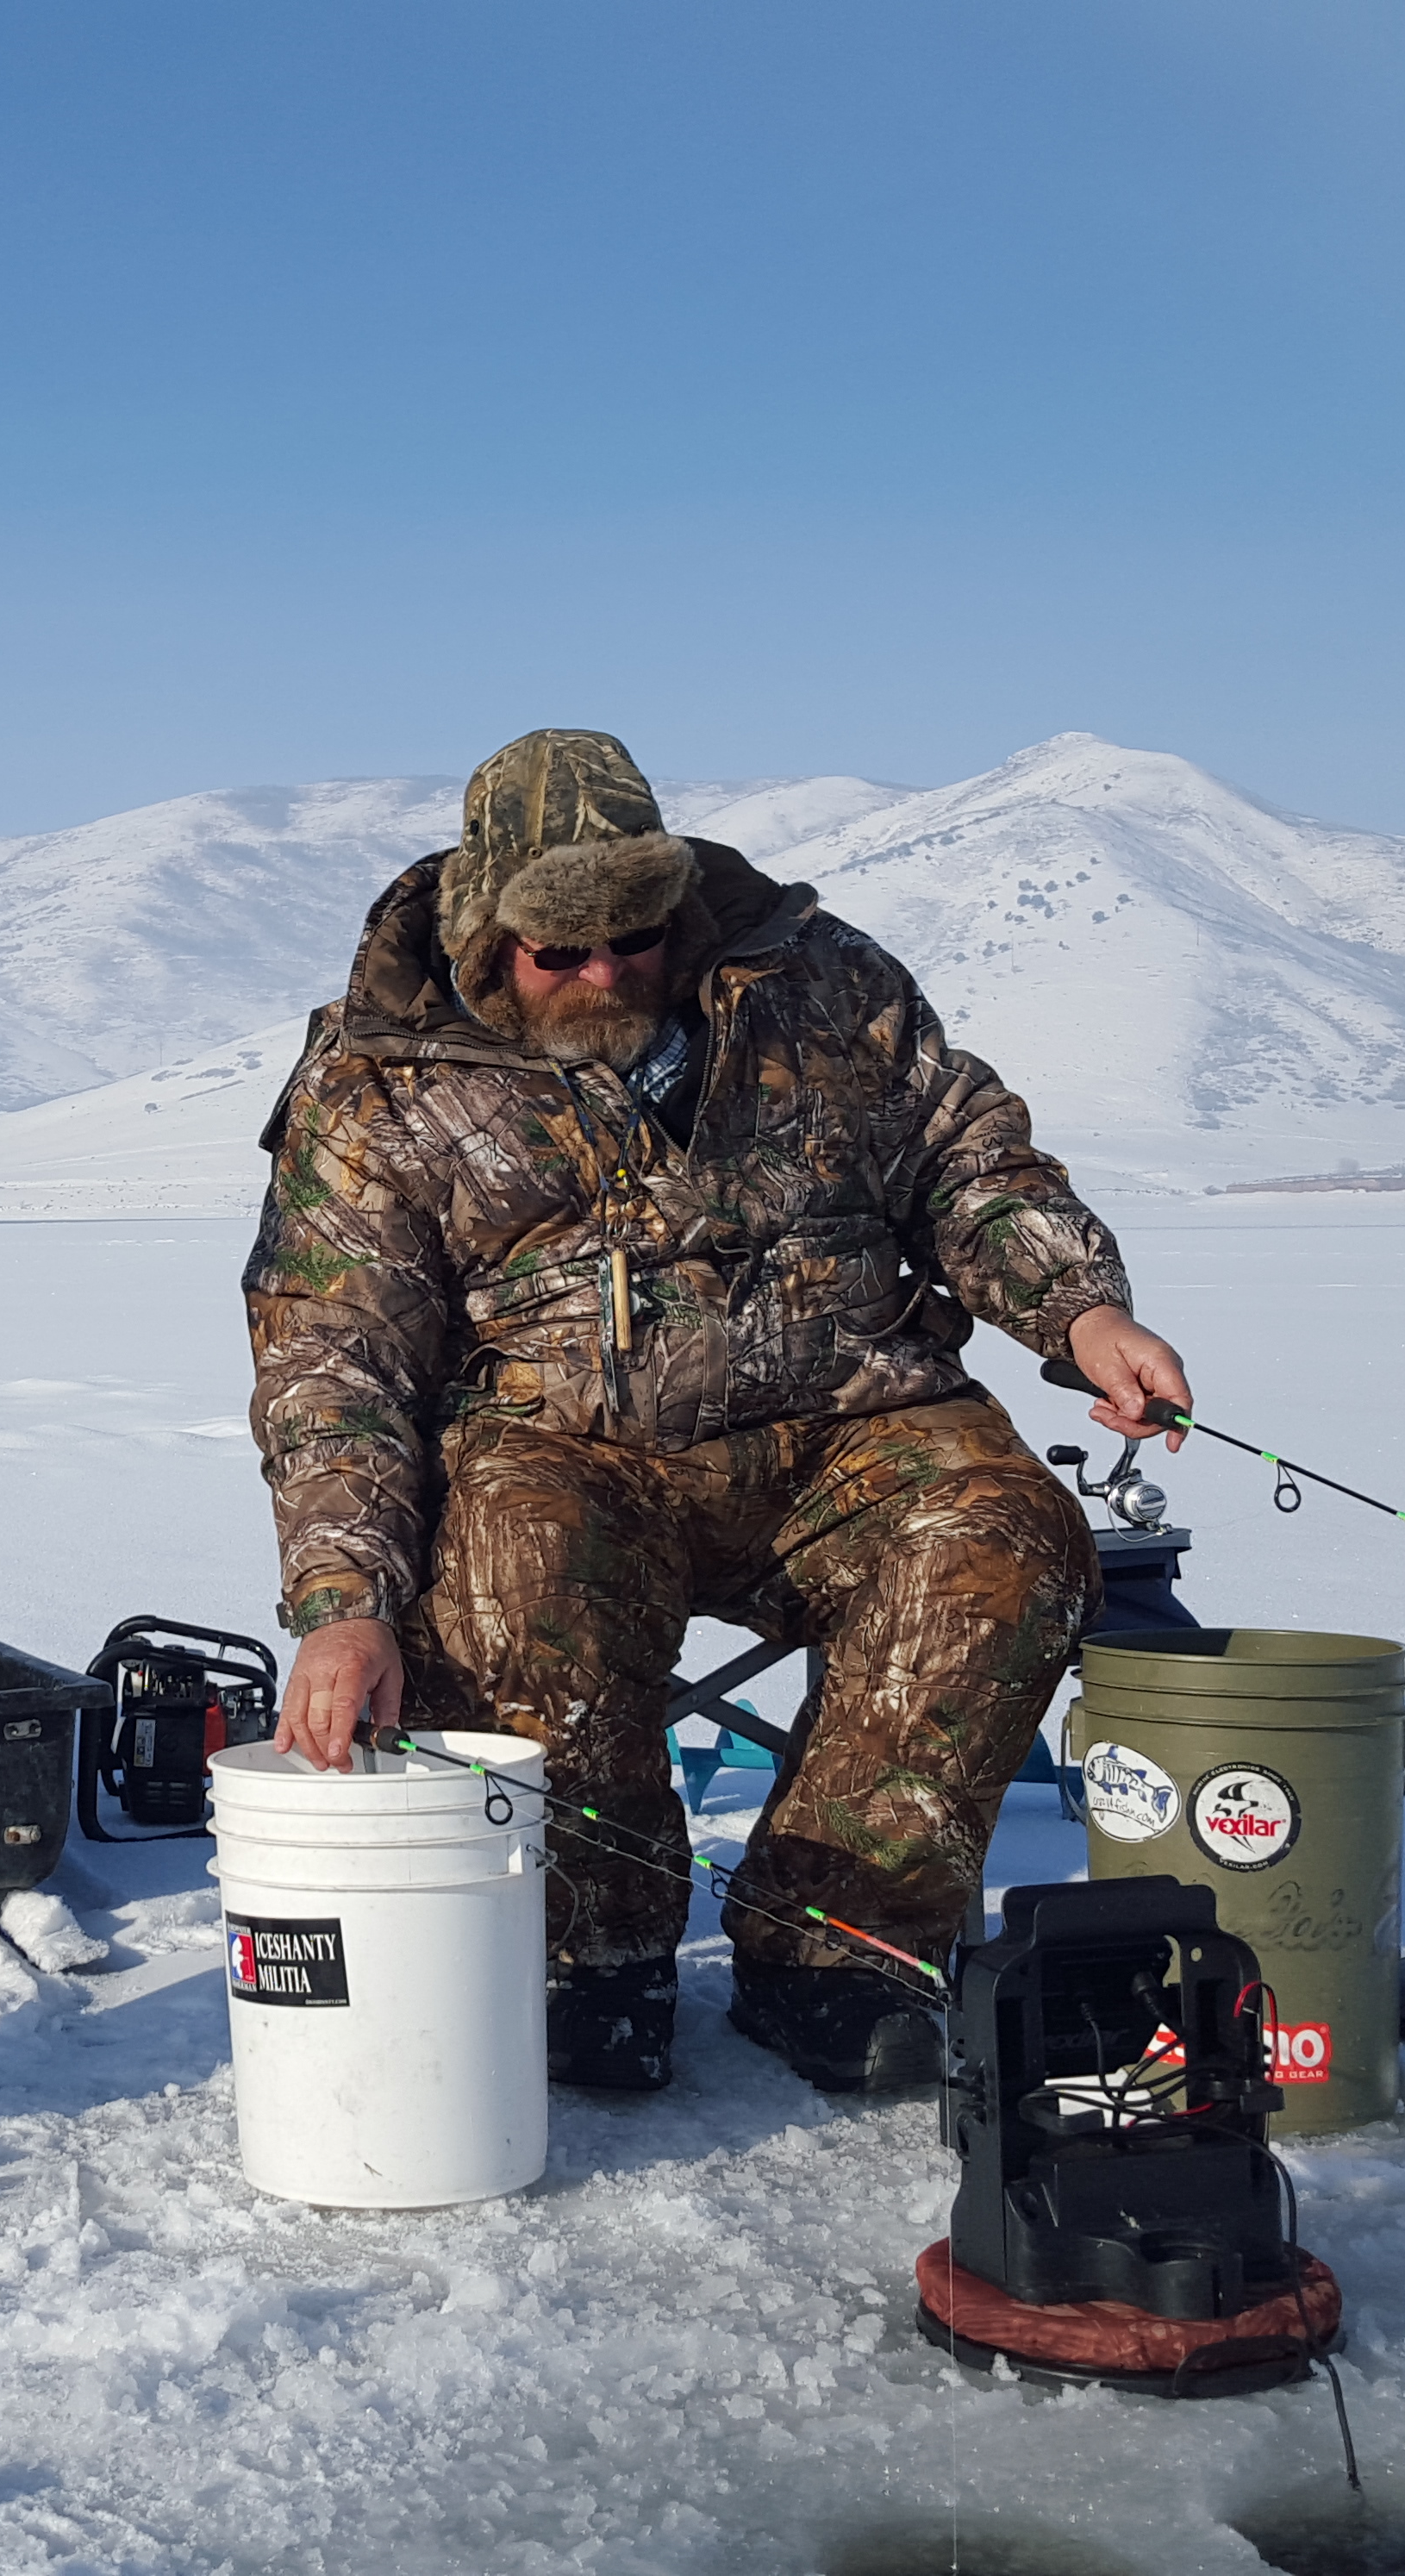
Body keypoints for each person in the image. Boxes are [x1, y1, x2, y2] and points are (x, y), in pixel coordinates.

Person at [240, 728, 1195, 2096]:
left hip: (855, 1422)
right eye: (559, 953)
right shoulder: (379, 1075)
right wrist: (340, 1601)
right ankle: (591, 1957)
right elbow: (331, 1356)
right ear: (485, 929)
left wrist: (1082, 1310)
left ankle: (839, 1951)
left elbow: (967, 1158)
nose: (605, 974)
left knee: (1007, 1535)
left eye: (633, 937)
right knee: (513, 1556)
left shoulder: (821, 980)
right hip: (567, 1447)